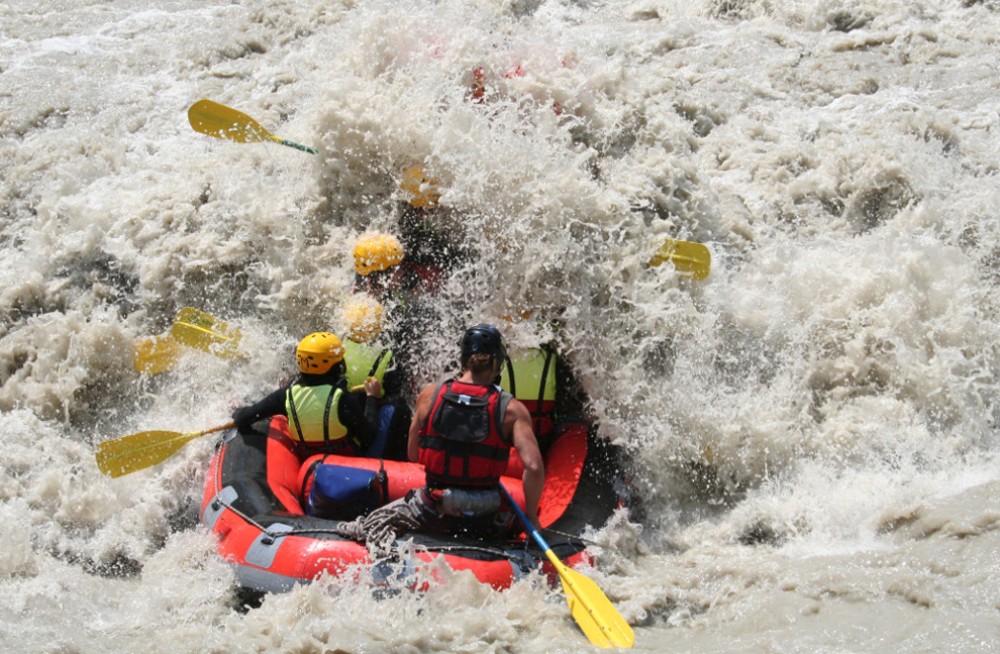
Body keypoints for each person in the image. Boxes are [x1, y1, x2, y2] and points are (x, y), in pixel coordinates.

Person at [336, 323, 545, 554]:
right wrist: (532, 517)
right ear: (497, 363)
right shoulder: (512, 410)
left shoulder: (429, 395)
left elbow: (413, 455)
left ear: (463, 359)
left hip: (431, 512)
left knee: (380, 519)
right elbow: (534, 467)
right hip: (485, 520)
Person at [231, 331, 380, 455]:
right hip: (344, 465)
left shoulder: (285, 395)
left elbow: (243, 418)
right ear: (335, 365)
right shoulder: (341, 398)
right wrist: (372, 397)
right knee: (392, 408)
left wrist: (236, 410)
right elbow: (369, 436)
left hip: (307, 465)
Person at [340, 295, 411, 460]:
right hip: (370, 420)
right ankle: (400, 460)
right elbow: (396, 390)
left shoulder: (336, 348)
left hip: (343, 420)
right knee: (400, 407)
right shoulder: (388, 355)